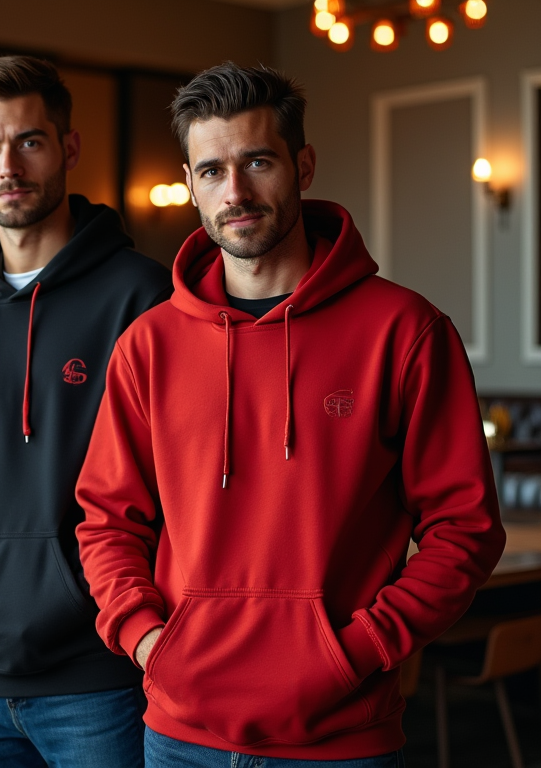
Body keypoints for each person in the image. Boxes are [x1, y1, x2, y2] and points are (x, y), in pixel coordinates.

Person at [75, 62, 506, 768]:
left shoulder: (405, 331)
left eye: (258, 162)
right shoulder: (148, 345)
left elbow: (465, 529)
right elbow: (105, 518)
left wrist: (356, 652)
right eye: (211, 171)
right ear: (189, 184)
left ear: (302, 165)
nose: (235, 192)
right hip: (180, 738)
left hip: (343, 740)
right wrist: (150, 641)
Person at [0, 56, 172, 768]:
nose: (8, 165)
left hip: (101, 678)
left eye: (30, 142)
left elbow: (172, 484)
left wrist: (100, 602)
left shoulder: (144, 298)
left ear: (69, 148)